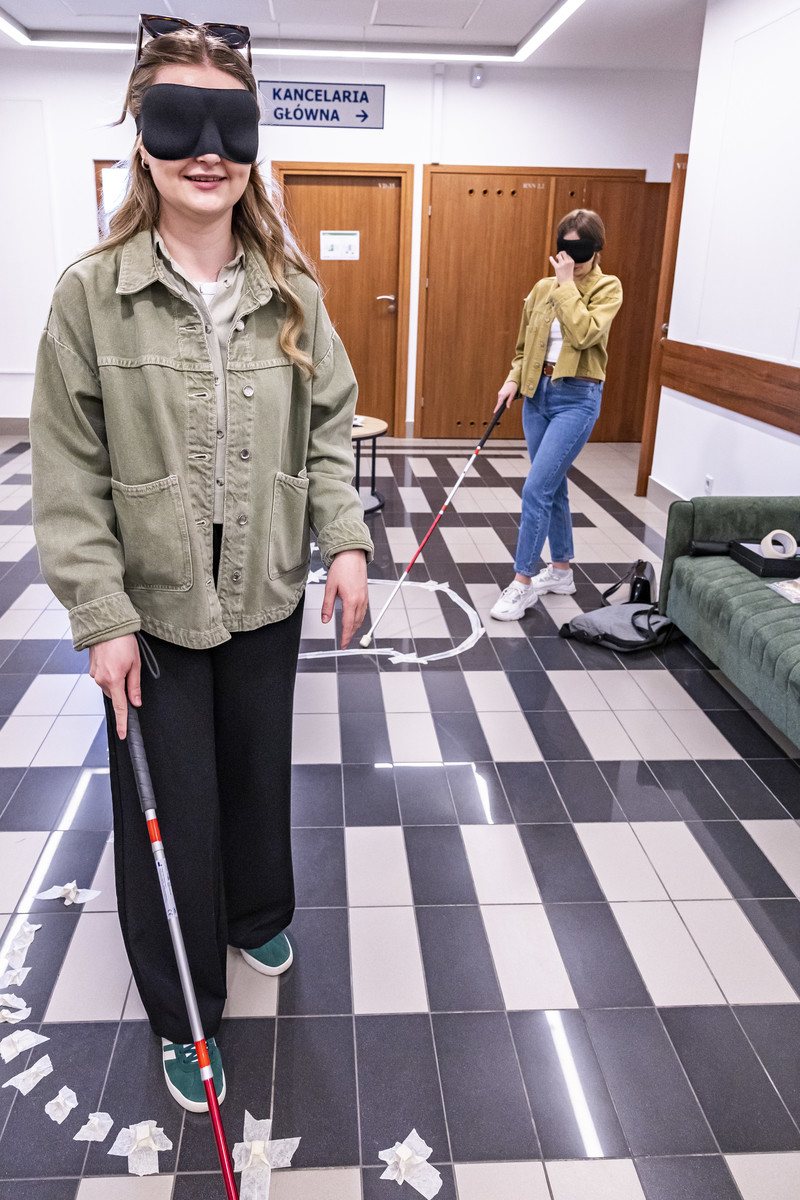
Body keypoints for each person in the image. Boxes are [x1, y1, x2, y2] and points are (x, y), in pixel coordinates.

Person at [30, 18, 373, 1112]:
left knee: (256, 774)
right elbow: (68, 470)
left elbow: (329, 424)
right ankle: (186, 1013)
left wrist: (346, 539)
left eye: (229, 123)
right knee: (168, 812)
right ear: (142, 138)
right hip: (152, 608)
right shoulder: (92, 294)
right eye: (180, 121)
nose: (207, 150)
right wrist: (99, 614)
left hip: (265, 590)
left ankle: (255, 913)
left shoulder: (292, 288)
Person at [490, 210, 623, 620]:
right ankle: (562, 571)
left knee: (535, 488)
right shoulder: (541, 288)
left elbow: (584, 334)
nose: (573, 259)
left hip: (577, 397)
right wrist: (513, 379)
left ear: (597, 249)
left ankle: (523, 581)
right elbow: (523, 347)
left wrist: (567, 286)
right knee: (553, 485)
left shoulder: (607, 287)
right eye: (566, 249)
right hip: (537, 395)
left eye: (581, 251)